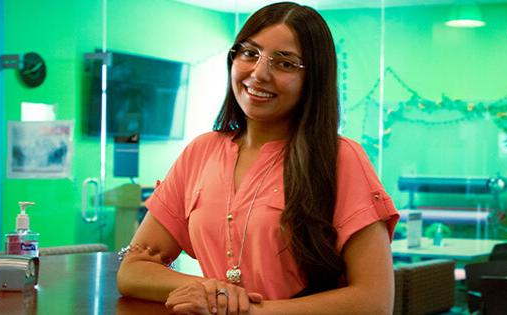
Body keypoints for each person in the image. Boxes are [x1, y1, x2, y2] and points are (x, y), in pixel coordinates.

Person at [116, 2, 399, 314]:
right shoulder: (201, 151)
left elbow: (375, 301)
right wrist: (210, 290)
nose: (259, 73)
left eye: (285, 64)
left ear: (313, 79)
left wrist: (247, 311)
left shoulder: (341, 158)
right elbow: (132, 270)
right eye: (250, 53)